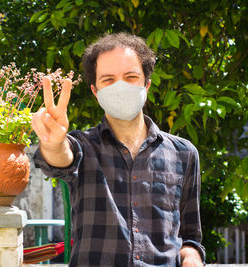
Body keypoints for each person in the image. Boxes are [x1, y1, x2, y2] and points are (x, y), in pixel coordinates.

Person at [32, 32, 205, 266]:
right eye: (108, 79)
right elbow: (61, 157)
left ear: (147, 83)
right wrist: (52, 143)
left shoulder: (184, 153)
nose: (120, 86)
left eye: (131, 76)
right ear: (95, 91)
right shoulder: (83, 146)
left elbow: (191, 237)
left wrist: (192, 258)